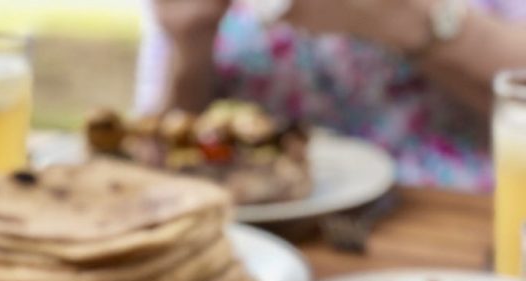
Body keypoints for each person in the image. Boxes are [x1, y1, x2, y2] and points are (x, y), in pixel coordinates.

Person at [135, 0, 526, 190]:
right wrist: (190, 41)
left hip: (453, 226)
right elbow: (151, 153)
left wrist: (415, 22)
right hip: (256, 235)